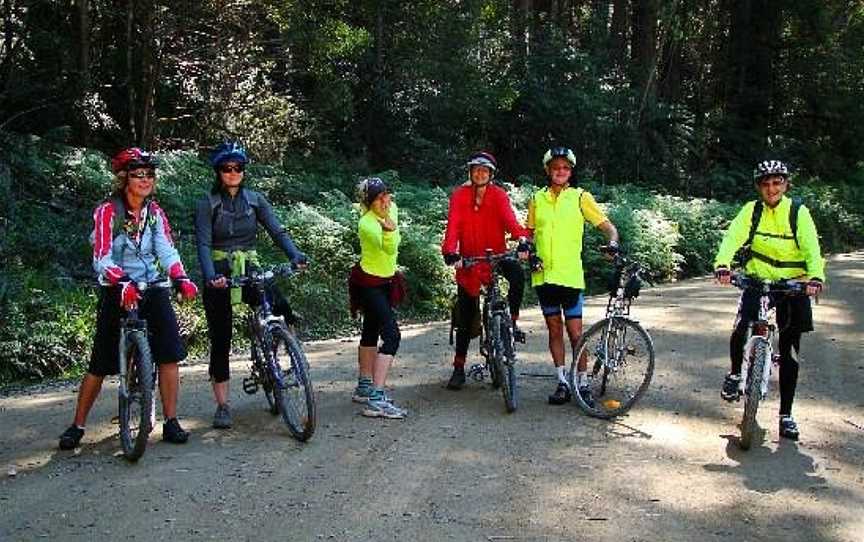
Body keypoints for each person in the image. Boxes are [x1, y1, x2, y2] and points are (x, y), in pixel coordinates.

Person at [58, 148, 198, 450]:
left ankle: (171, 421)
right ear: (124, 179)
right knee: (100, 361)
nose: (145, 180)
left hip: (152, 285)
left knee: (170, 353)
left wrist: (181, 277)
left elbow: (166, 249)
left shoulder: (155, 212)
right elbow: (102, 257)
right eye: (138, 175)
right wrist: (121, 281)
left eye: (149, 175)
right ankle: (77, 425)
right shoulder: (108, 211)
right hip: (116, 286)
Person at [194, 141, 307, 429]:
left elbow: (277, 230)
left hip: (250, 267)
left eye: (238, 168)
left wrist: (294, 254)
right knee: (221, 338)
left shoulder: (255, 200)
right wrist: (210, 276)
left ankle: (284, 352)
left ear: (244, 171)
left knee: (280, 305)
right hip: (220, 272)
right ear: (218, 172)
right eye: (226, 168)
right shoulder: (208, 204)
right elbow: (204, 244)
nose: (233, 173)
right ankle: (222, 405)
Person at [713, 159, 824, 440]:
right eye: (765, 183)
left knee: (789, 350)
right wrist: (723, 264)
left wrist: (815, 277)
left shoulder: (798, 213)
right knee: (740, 327)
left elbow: (812, 247)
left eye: (777, 182)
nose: (771, 188)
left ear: (785, 184)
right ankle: (736, 374)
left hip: (792, 286)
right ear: (758, 187)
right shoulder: (751, 212)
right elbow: (732, 237)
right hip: (757, 278)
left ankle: (786, 415)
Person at [527, 146, 620, 406]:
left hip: (570, 276)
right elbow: (528, 231)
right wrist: (524, 246)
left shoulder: (581, 197)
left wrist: (613, 242)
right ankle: (562, 382)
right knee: (554, 329)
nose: (560, 171)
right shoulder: (537, 199)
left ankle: (582, 383)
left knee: (577, 333)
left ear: (571, 172)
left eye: (565, 168)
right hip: (544, 276)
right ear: (548, 170)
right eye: (556, 167)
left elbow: (607, 226)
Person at [441, 151, 531, 390]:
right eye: (476, 169)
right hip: (470, 260)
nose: (480, 173)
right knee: (466, 314)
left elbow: (511, 222)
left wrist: (522, 240)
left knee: (517, 276)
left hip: (496, 256)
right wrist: (450, 252)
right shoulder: (459, 196)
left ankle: (511, 321)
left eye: (485, 170)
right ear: (470, 172)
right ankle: (459, 367)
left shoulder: (498, 195)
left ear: (491, 174)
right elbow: (453, 227)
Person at [348, 178, 407, 418]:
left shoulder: (391, 209)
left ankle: (364, 385)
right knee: (392, 336)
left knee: (370, 330)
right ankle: (376, 397)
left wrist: (391, 227)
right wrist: (390, 230)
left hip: (385, 280)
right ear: (368, 203)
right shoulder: (366, 224)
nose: (384, 200)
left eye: (385, 194)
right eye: (377, 198)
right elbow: (390, 248)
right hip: (369, 283)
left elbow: (395, 237)